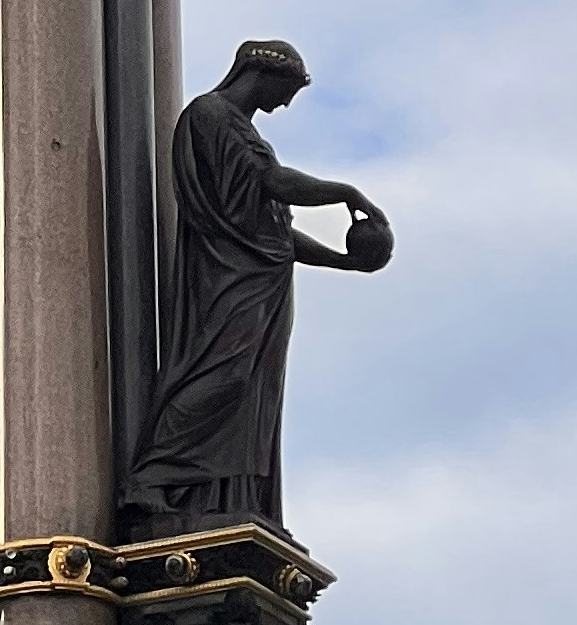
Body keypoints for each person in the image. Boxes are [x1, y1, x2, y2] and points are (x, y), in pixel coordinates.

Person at [121, 42, 389, 536]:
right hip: (226, 278)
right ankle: (151, 477)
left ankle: (221, 498)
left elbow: (274, 232)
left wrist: (344, 262)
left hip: (262, 283)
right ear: (259, 71)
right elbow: (274, 182)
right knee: (223, 375)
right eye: (287, 90)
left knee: (254, 395)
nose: (286, 104)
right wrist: (345, 193)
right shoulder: (211, 115)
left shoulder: (243, 130)